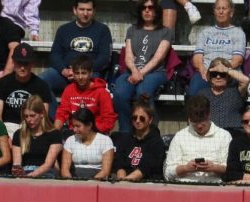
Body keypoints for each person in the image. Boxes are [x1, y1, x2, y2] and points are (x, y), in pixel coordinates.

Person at [113, 0, 174, 133]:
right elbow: (128, 57)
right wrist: (135, 71)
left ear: (156, 11)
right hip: (132, 71)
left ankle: (150, 131)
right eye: (144, 8)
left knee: (143, 91)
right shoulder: (132, 30)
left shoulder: (165, 31)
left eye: (150, 8)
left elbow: (158, 58)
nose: (147, 11)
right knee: (119, 93)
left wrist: (141, 73)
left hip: (155, 72)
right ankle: (126, 131)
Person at [41, 0, 113, 100]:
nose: (85, 13)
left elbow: (104, 57)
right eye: (82, 9)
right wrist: (63, 70)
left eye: (89, 10)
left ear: (94, 11)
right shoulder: (63, 29)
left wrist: (83, 72)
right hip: (65, 74)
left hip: (91, 73)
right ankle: (56, 114)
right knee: (41, 82)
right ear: (75, 10)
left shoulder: (102, 30)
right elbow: (55, 55)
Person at [164, 94, 232, 182]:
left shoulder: (224, 136)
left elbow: (231, 170)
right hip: (185, 186)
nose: (199, 126)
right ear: (189, 119)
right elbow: (167, 173)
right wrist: (186, 168)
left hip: (214, 186)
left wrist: (214, 167)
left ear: (209, 115)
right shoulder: (180, 137)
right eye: (195, 122)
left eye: (202, 121)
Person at [189, 0, 247, 95]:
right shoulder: (205, 33)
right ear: (214, 12)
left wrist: (222, 70)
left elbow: (237, 60)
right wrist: (201, 68)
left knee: (231, 97)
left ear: (231, 13)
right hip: (207, 72)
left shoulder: (238, 33)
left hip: (228, 73)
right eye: (218, 8)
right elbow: (197, 58)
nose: (221, 11)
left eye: (224, 8)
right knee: (193, 92)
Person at [0, 43, 52, 128]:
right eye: (19, 63)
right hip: (7, 127)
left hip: (31, 126)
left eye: (26, 63)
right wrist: (3, 135)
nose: (22, 67)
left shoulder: (42, 86)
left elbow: (43, 116)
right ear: (13, 62)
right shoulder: (2, 83)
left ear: (32, 64)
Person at [55, 55, 116, 133]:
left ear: (90, 73)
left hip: (96, 133)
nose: (80, 77)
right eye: (77, 73)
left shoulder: (102, 92)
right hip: (74, 132)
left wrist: (89, 132)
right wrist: (55, 131)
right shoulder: (69, 89)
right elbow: (62, 113)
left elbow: (109, 119)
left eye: (84, 73)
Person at [111, 98, 166, 181]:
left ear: (150, 120)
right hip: (125, 181)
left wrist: (125, 182)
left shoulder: (157, 143)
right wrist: (121, 179)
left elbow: (146, 168)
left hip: (147, 182)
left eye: (142, 118)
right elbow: (120, 163)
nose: (137, 121)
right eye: (134, 118)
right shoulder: (125, 139)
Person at [198, 58, 250, 138]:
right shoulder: (202, 94)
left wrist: (226, 69)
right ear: (210, 75)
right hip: (210, 135)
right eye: (214, 74)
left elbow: (245, 80)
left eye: (222, 74)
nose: (218, 77)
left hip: (233, 134)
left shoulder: (236, 90)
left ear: (228, 76)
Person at [12, 96, 63, 177]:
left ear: (42, 114)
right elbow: (17, 162)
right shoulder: (18, 134)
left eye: (32, 115)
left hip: (46, 173)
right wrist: (17, 170)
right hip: (24, 172)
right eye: (26, 116)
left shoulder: (54, 134)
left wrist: (30, 176)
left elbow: (48, 165)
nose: (29, 119)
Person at [60, 106, 115, 178]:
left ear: (89, 125)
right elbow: (65, 170)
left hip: (97, 180)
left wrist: (91, 183)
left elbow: (105, 171)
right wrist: (71, 183)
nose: (74, 130)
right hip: (75, 179)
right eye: (73, 126)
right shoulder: (70, 140)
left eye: (78, 126)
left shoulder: (105, 141)